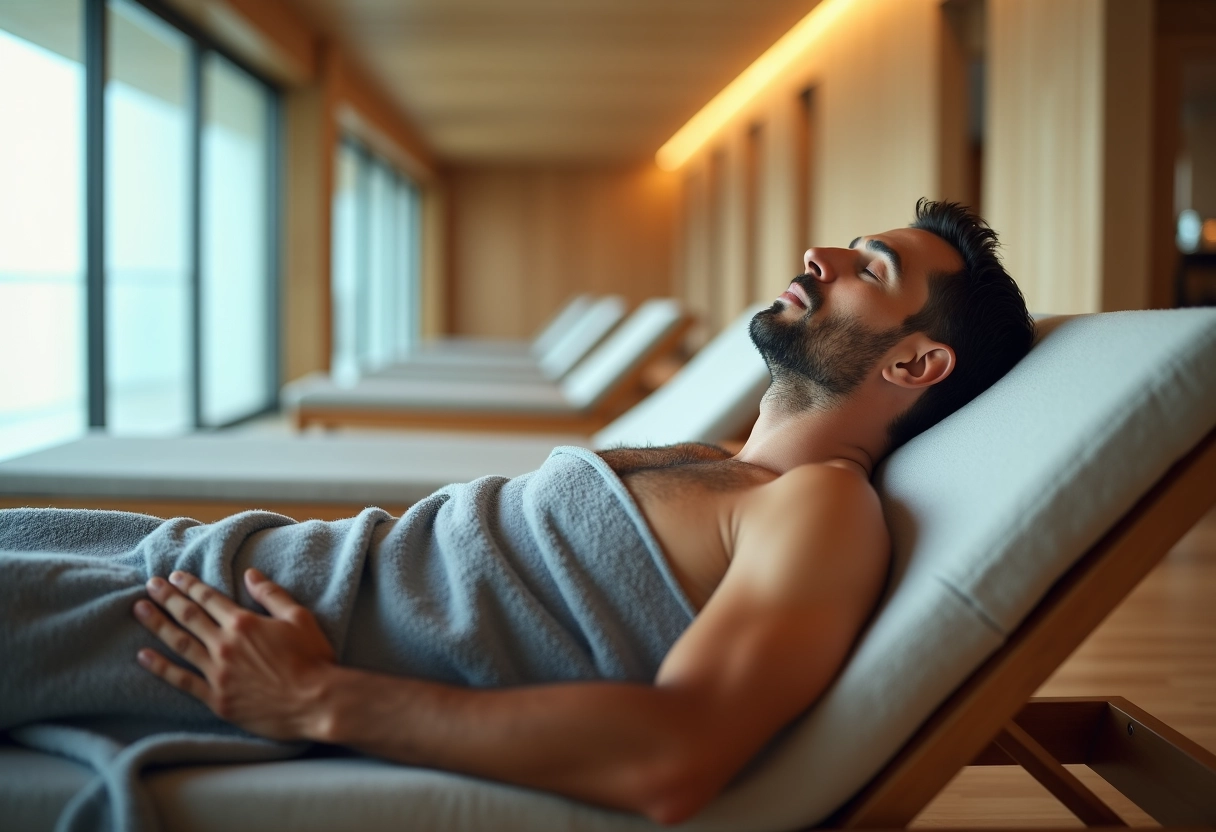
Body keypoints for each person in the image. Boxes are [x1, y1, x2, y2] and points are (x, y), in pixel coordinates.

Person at [0, 199, 1033, 826]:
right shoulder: (725, 465)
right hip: (228, 559)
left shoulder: (820, 510)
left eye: (871, 269)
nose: (822, 256)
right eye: (850, 245)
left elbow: (676, 756)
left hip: (243, 632)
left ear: (912, 361)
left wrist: (320, 699)